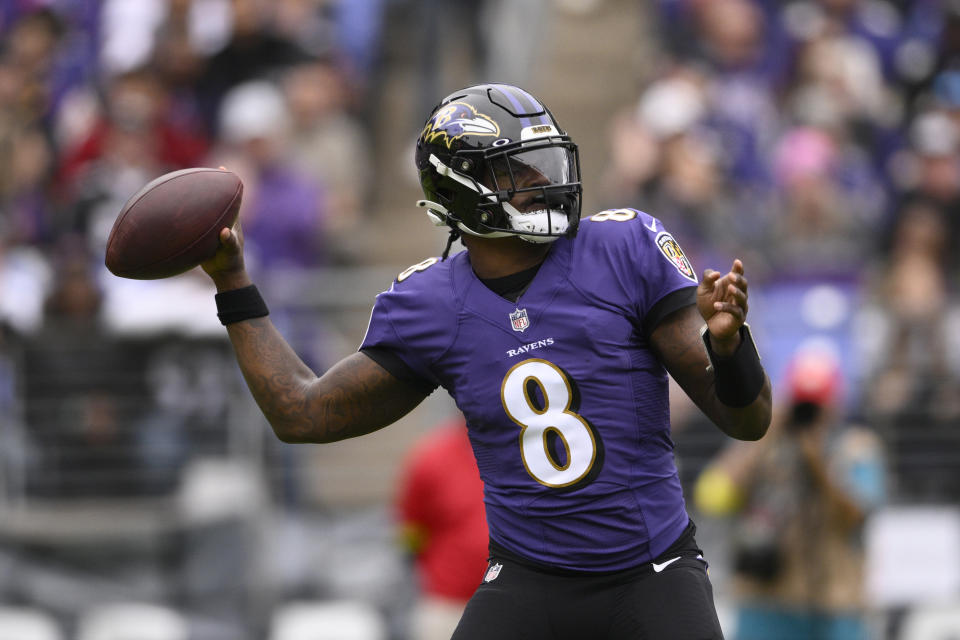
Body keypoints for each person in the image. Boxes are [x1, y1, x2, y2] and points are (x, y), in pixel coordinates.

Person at [199, 83, 772, 639]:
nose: (543, 183)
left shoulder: (621, 249)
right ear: (459, 190)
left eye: (543, 164)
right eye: (516, 172)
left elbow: (747, 420)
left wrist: (728, 346)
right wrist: (233, 283)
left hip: (653, 572)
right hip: (529, 580)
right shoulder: (430, 304)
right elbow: (301, 413)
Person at [694, 345, 885, 640]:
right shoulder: (763, 447)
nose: (809, 414)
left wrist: (819, 463)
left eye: (816, 404)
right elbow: (711, 497)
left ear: (835, 404)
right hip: (766, 601)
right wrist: (763, 435)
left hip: (836, 604)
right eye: (802, 404)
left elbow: (860, 513)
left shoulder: (857, 449)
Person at [395, 416, 488, 640]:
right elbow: (410, 527)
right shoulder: (433, 456)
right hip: (447, 604)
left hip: (512, 602)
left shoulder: (524, 454)